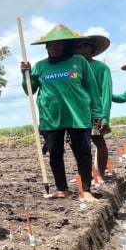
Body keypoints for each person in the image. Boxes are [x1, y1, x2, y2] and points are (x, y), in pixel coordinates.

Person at [20, 24, 103, 201]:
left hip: (77, 115)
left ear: (67, 46)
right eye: (49, 45)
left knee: (83, 153)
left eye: (57, 44)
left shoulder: (79, 62)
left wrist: (98, 113)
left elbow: (92, 89)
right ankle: (62, 189)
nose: (52, 48)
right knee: (55, 154)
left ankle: (86, 190)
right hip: (51, 117)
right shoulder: (40, 66)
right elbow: (30, 90)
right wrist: (25, 74)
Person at [74, 35, 113, 184]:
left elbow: (106, 93)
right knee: (79, 145)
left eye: (85, 46)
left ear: (92, 49)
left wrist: (105, 116)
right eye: (79, 47)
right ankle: (86, 175)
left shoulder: (101, 68)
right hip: (77, 113)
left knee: (98, 141)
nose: (82, 49)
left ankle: (101, 174)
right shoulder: (73, 68)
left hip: (95, 111)